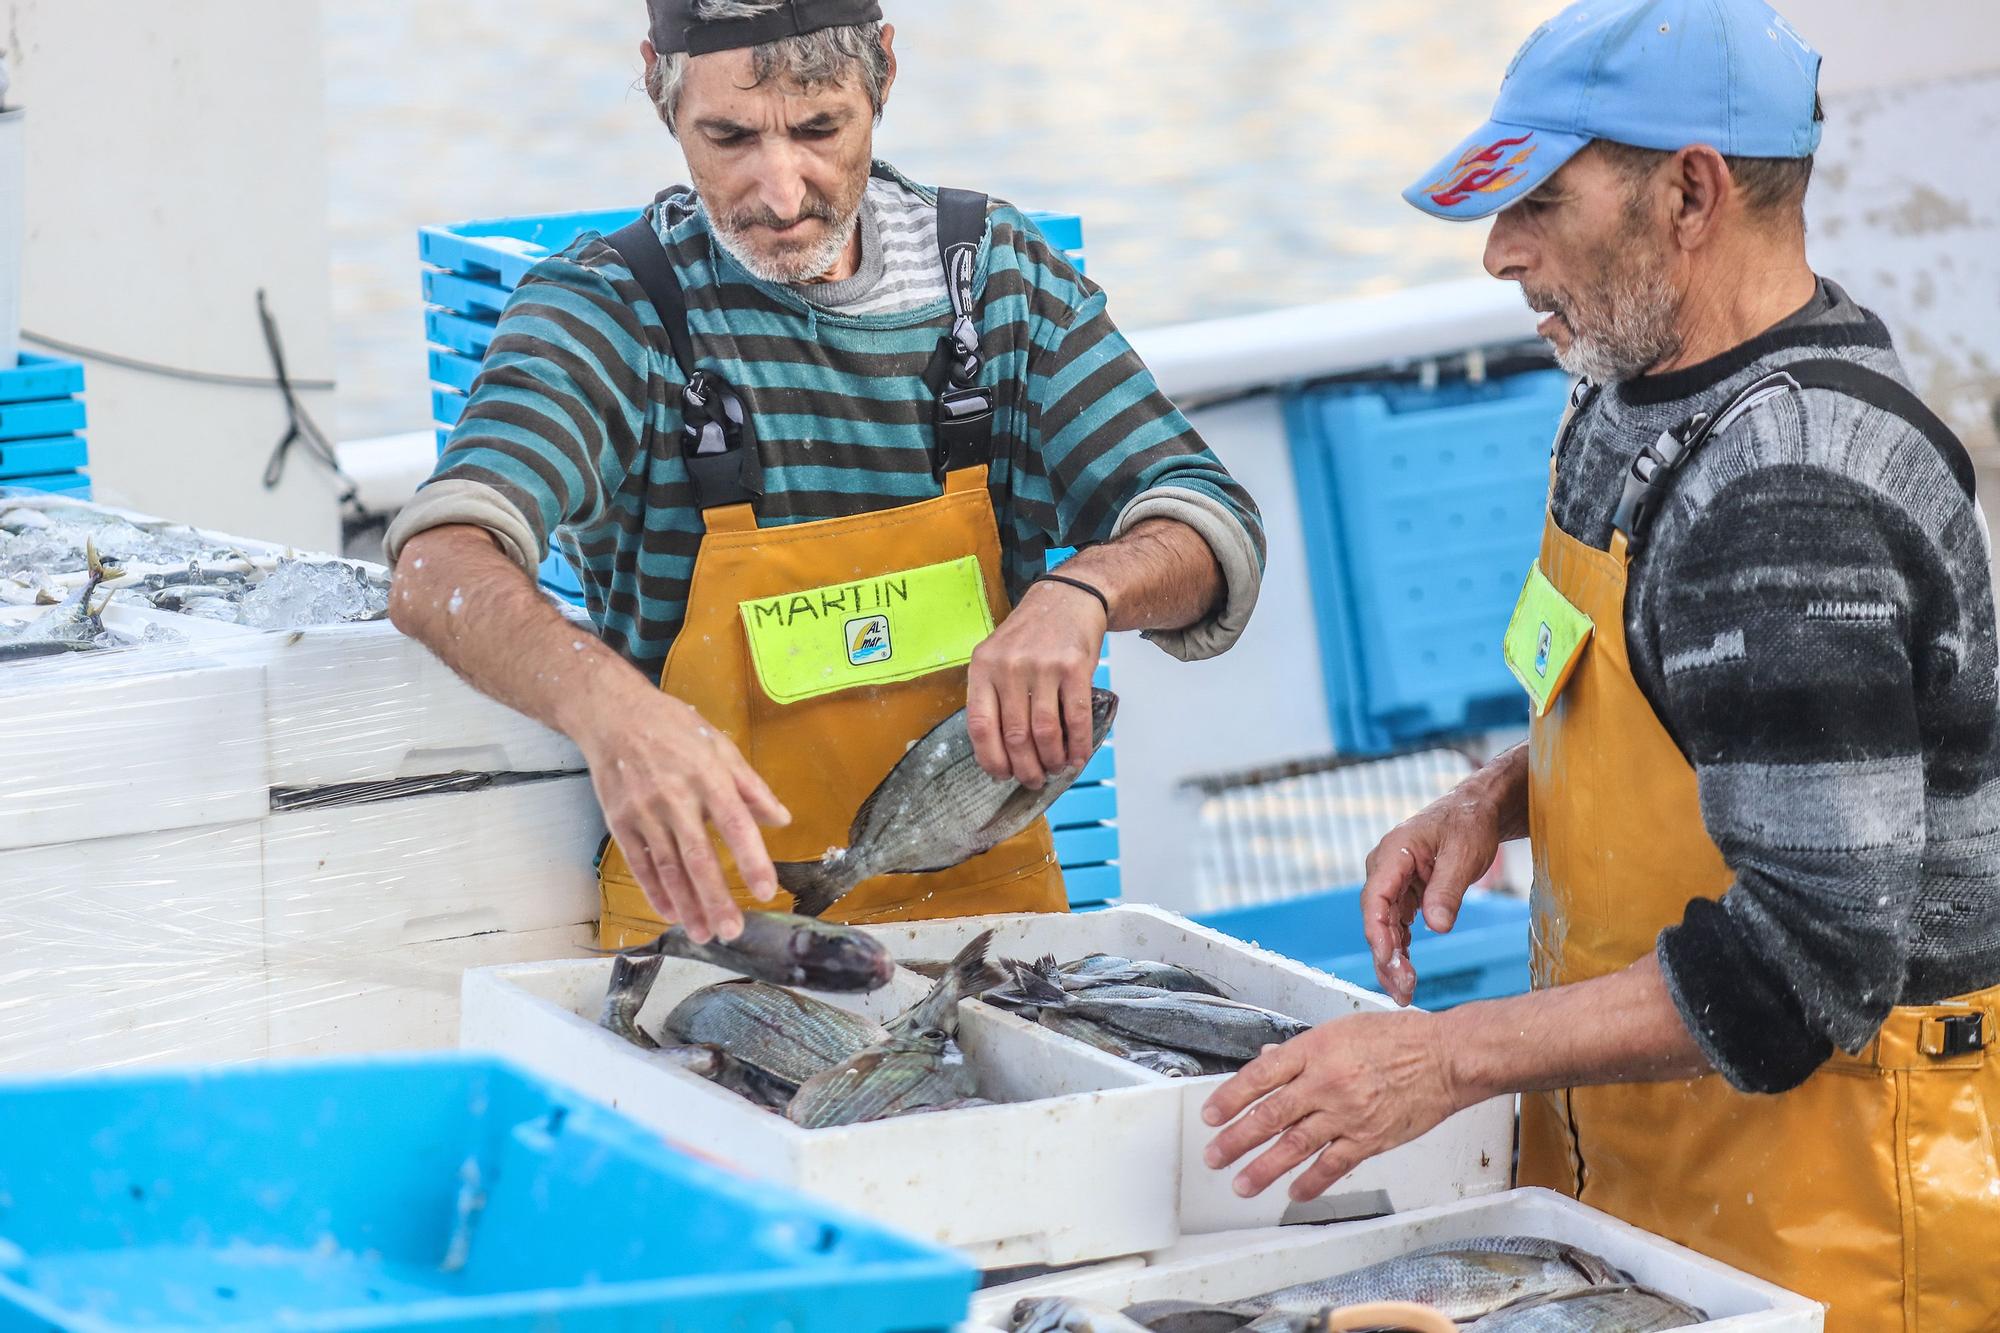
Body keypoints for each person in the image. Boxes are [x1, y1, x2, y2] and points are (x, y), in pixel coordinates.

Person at [1201, 2, 1999, 1326]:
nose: (1499, 252)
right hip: (1654, 1170)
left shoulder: (1788, 494)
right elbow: (1676, 694)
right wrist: (1504, 794)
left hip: (1835, 1214)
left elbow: (1813, 961)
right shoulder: (1632, 395)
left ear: (1691, 191)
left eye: (1543, 204)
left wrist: (1442, 1060)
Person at [386, 0, 1263, 948]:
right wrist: (608, 709)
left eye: (819, 129)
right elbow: (440, 563)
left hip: (993, 944)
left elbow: (1211, 524)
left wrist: (1086, 589)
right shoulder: (607, 312)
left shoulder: (996, 282)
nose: (781, 190)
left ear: (883, 73)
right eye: (727, 136)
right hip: (713, 950)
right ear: (656, 86)